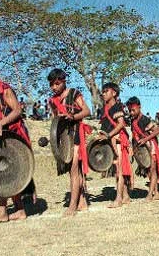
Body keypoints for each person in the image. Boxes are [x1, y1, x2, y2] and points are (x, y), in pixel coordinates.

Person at [0, 59, 36, 222]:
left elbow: (17, 110)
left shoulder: (5, 89)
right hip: (2, 136)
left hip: (14, 135)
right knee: (5, 171)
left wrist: (0, 124)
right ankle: (18, 210)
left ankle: (2, 210)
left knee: (7, 171)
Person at [48, 68, 91, 216]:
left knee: (74, 168)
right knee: (74, 170)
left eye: (57, 83)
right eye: (52, 85)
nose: (54, 87)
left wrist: (73, 117)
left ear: (64, 81)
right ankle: (82, 200)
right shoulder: (52, 101)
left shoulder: (74, 93)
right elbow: (55, 121)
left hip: (76, 133)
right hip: (64, 138)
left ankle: (72, 206)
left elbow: (87, 111)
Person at [98, 82, 132, 208]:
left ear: (114, 93)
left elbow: (121, 123)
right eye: (103, 91)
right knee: (118, 169)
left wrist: (109, 135)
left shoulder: (117, 107)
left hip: (118, 139)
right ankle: (126, 196)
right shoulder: (104, 109)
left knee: (120, 171)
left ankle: (118, 199)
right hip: (111, 140)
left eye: (106, 91)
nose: (103, 93)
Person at [126, 96, 159, 201]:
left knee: (152, 170)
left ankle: (150, 194)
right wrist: (132, 149)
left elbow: (158, 130)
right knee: (148, 171)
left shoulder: (145, 119)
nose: (132, 112)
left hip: (150, 146)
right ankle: (156, 193)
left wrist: (146, 139)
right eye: (130, 111)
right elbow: (133, 136)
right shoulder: (132, 121)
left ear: (139, 107)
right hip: (141, 148)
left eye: (133, 110)